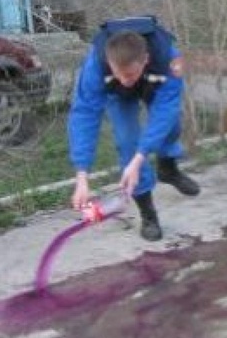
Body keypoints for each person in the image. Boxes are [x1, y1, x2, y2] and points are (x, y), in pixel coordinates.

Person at [68, 16, 200, 241]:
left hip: (154, 82)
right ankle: (148, 214)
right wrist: (82, 175)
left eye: (128, 74)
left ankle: (168, 169)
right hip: (118, 97)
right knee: (127, 142)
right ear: (108, 61)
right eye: (117, 73)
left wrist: (141, 157)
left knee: (170, 125)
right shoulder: (95, 66)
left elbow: (165, 111)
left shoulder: (169, 58)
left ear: (145, 59)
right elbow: (84, 115)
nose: (123, 80)